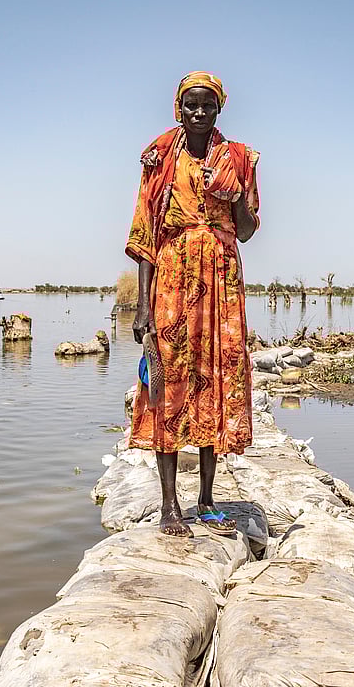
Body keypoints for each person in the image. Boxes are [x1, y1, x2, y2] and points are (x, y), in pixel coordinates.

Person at [125, 71, 260, 537]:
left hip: (222, 281)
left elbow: (245, 229)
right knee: (168, 385)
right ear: (178, 109)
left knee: (214, 382)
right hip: (171, 279)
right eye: (191, 106)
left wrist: (236, 194)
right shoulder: (160, 158)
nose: (200, 113)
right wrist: (142, 306)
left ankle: (204, 500)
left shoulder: (238, 159)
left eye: (208, 106)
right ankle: (168, 507)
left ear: (219, 109)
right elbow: (144, 235)